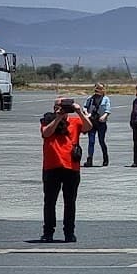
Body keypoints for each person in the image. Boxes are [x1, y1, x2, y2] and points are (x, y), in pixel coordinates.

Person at [37, 97, 88, 243]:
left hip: (71, 168)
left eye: (65, 106)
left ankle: (69, 232)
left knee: (70, 202)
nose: (62, 108)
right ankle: (48, 232)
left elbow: (88, 127)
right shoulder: (47, 120)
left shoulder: (74, 122)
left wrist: (79, 112)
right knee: (49, 201)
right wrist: (58, 118)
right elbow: (46, 133)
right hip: (51, 167)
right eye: (59, 106)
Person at [84, 82, 111, 167]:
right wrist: (86, 113)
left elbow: (108, 110)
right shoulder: (90, 98)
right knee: (91, 141)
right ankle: (89, 159)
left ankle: (105, 158)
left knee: (101, 141)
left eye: (100, 88)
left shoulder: (106, 99)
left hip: (101, 123)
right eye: (97, 88)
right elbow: (85, 107)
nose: (98, 90)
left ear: (103, 90)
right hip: (92, 122)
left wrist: (104, 116)